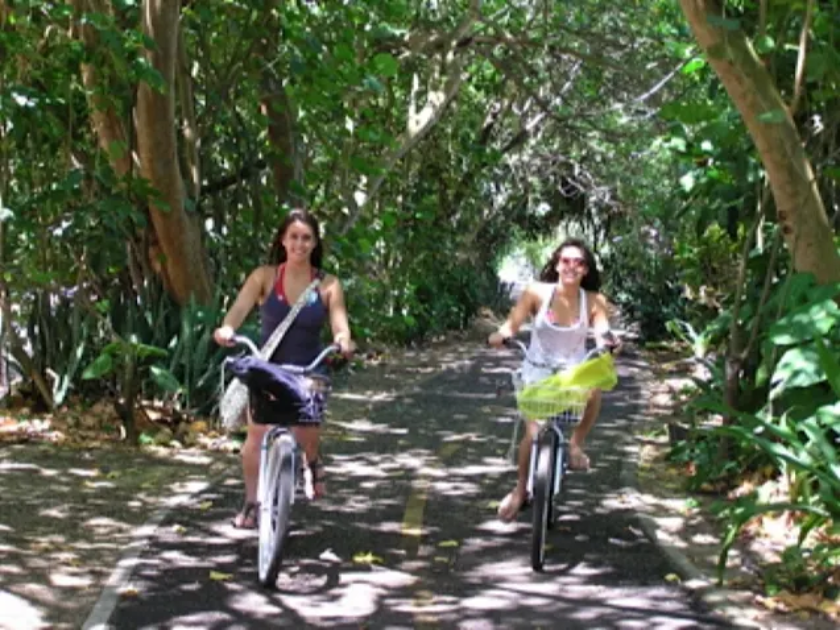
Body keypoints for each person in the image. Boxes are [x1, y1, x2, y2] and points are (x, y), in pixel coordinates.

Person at [214, 208, 354, 529]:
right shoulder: (264, 277)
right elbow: (238, 310)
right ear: (283, 240)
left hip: (309, 368)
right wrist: (227, 329)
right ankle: (252, 501)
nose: (299, 244)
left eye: (306, 238)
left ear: (315, 243)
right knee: (256, 436)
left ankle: (312, 460)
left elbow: (340, 326)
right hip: (270, 369)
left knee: (307, 425)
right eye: (294, 237)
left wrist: (343, 342)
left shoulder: (328, 285)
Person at [488, 238, 619, 522]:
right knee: (533, 434)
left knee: (595, 388)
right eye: (566, 261)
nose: (572, 266)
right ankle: (520, 490)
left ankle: (575, 444)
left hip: (573, 373)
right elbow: (513, 322)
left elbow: (602, 330)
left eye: (579, 262)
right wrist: (502, 335)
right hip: (537, 370)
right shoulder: (536, 292)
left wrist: (609, 341)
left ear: (586, 270)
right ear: (557, 264)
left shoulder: (594, 300)